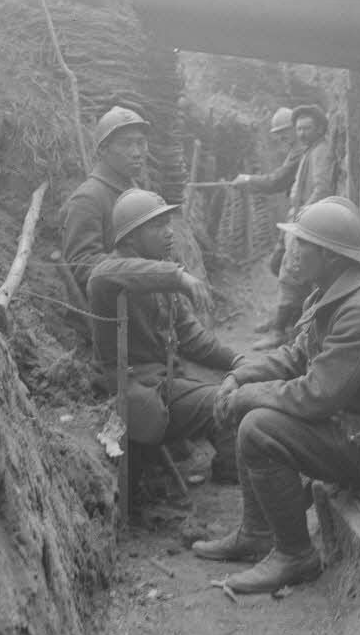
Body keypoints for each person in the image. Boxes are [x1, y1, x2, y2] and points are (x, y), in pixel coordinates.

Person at [192, 197, 360, 594]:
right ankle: (257, 532)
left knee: (259, 427)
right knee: (254, 412)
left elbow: (317, 395)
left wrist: (249, 397)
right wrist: (240, 377)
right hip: (359, 426)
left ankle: (295, 554)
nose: (291, 251)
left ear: (331, 257)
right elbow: (295, 355)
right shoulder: (329, 296)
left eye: (302, 244)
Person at [87, 189, 246, 484]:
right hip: (133, 388)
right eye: (157, 226)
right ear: (131, 237)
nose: (169, 233)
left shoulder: (157, 271)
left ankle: (227, 469)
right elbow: (105, 272)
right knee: (229, 402)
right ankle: (231, 476)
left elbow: (191, 336)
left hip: (164, 381)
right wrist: (178, 276)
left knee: (230, 390)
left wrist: (236, 360)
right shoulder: (111, 274)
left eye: (168, 223)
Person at [234, 104, 336, 349]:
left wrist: (304, 216)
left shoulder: (320, 151)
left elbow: (321, 188)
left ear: (320, 128)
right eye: (299, 129)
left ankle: (281, 330)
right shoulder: (309, 150)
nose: (301, 134)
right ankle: (290, 323)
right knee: (286, 268)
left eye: (306, 128)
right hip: (300, 218)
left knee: (290, 274)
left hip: (307, 223)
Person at [60, 105, 152, 299]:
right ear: (103, 150)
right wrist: (134, 262)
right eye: (126, 144)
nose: (136, 152)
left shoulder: (137, 192)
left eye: (141, 142)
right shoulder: (88, 198)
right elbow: (81, 265)